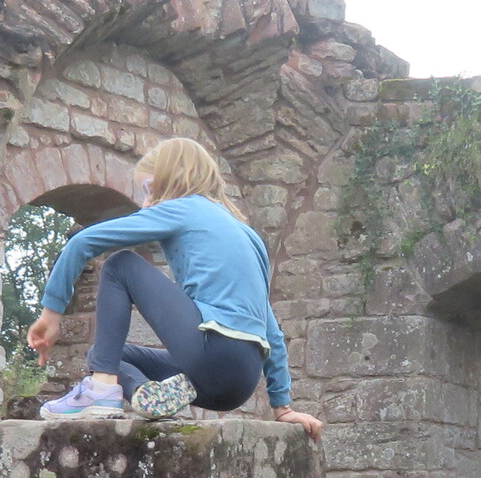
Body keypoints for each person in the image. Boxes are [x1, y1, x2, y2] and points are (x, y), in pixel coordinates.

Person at [24, 136, 323, 438]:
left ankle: (99, 391)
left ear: (171, 180)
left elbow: (82, 242)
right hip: (237, 383)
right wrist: (282, 406)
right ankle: (148, 394)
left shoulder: (182, 208)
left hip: (212, 353)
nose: (145, 203)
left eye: (148, 190)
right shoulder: (249, 235)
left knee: (120, 265)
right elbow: (271, 331)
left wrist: (51, 314)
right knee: (106, 355)